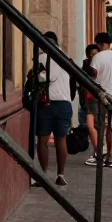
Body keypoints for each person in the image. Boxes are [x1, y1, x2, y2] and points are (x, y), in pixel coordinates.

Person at [35, 32, 73, 187]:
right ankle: (61, 174)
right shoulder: (66, 58)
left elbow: (40, 79)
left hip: (47, 104)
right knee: (61, 140)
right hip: (64, 103)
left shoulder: (42, 58)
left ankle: (43, 174)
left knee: (42, 139)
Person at [86, 32, 112, 168]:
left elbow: (93, 76)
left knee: (99, 127)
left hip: (99, 96)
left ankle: (99, 154)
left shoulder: (97, 57)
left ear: (100, 44)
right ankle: (110, 156)